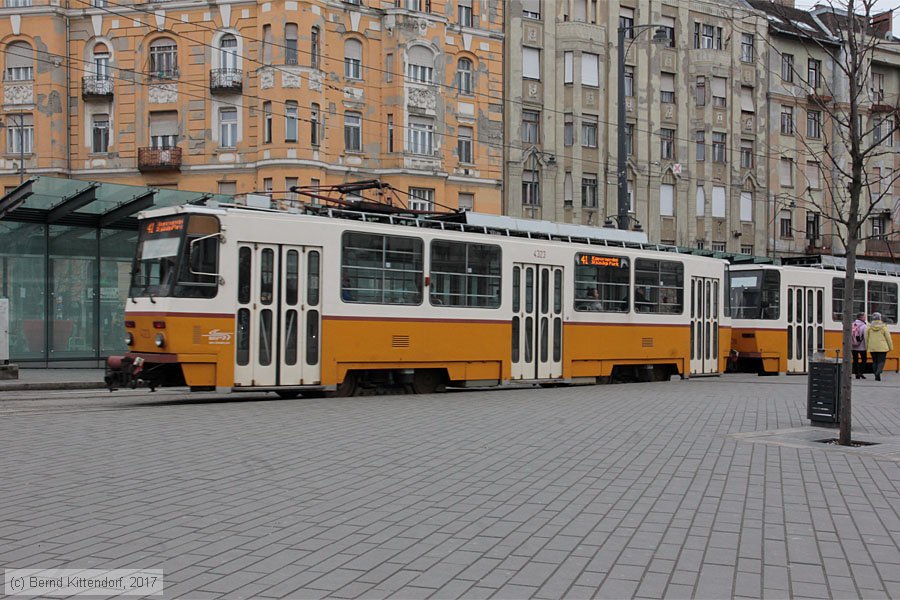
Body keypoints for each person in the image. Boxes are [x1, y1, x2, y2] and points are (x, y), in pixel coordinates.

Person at [865, 311, 894, 382]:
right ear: (880, 318)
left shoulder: (869, 327)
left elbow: (866, 337)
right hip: (882, 347)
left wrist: (867, 347)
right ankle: (878, 371)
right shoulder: (883, 327)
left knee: (874, 361)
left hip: (872, 347)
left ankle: (876, 375)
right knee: (881, 361)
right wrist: (891, 347)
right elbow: (888, 338)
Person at [851, 313, 868, 379]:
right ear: (861, 317)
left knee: (855, 360)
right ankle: (861, 372)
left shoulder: (852, 324)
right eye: (864, 317)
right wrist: (867, 346)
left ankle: (856, 374)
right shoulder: (864, 326)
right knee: (864, 359)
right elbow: (865, 336)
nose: (865, 318)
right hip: (862, 347)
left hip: (853, 346)